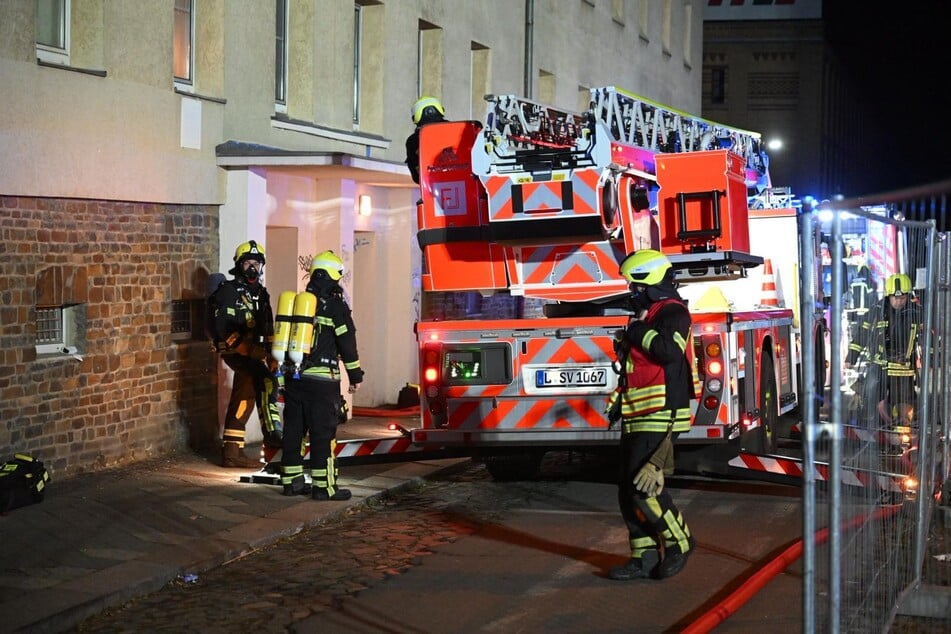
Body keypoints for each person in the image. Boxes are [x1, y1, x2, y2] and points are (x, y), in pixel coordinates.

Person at [606, 249, 696, 581]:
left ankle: (680, 542)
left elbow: (669, 353)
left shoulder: (673, 314)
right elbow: (637, 371)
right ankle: (642, 555)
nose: (632, 292)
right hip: (638, 413)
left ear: (650, 283)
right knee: (626, 490)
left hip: (660, 414)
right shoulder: (652, 313)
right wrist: (619, 399)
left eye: (635, 286)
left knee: (644, 488)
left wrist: (635, 331)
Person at [280, 250, 364, 501]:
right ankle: (324, 487)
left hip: (295, 378)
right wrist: (355, 375)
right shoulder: (336, 307)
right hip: (323, 382)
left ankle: (291, 482)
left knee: (294, 431)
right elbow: (347, 343)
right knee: (322, 434)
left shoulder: (299, 303)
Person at [213, 240, 284, 468]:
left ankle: (233, 453)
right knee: (261, 382)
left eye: (256, 263)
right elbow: (223, 326)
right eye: (247, 263)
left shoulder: (262, 295)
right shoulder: (229, 291)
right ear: (239, 265)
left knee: (246, 395)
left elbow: (268, 327)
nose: (252, 268)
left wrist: (273, 356)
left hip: (255, 353)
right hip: (237, 352)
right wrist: (245, 349)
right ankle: (270, 433)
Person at [847, 272, 921, 428]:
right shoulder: (876, 311)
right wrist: (851, 357)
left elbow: (928, 337)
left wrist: (933, 359)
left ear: (908, 296)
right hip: (879, 365)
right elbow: (862, 334)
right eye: (895, 298)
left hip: (903, 369)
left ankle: (901, 434)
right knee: (871, 393)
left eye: (902, 298)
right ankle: (869, 427)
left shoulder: (916, 313)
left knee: (903, 403)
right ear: (888, 295)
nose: (899, 301)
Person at [404, 96, 446, 185]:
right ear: (441, 110)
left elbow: (416, 177)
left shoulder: (413, 141)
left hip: (434, 190)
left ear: (415, 118)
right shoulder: (460, 131)